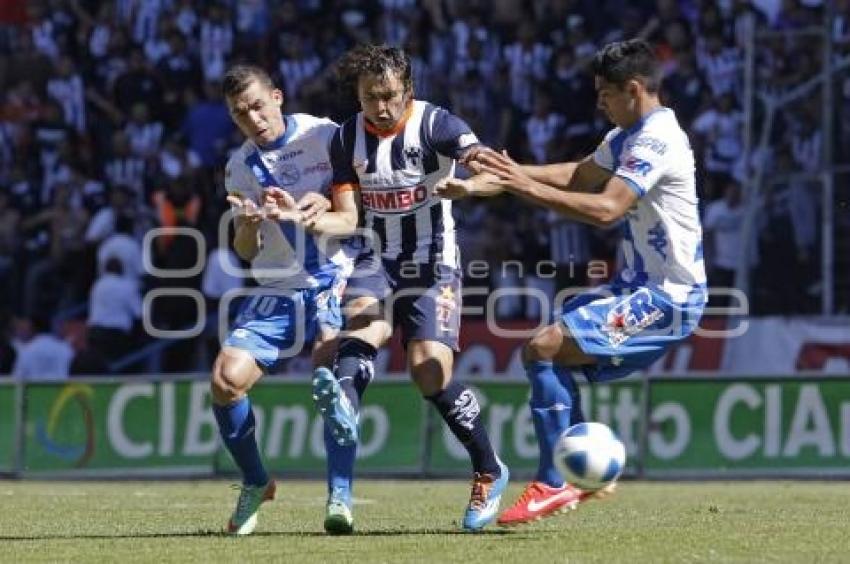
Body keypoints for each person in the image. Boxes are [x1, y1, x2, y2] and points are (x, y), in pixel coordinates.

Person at [437, 39, 707, 525]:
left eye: (605, 93)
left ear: (634, 88)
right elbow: (580, 175)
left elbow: (606, 208)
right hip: (638, 285)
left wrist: (523, 187)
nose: (598, 103)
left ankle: (554, 482)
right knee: (544, 349)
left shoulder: (655, 139)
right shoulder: (628, 134)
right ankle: (585, 473)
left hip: (669, 297)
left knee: (544, 347)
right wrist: (511, 171)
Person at [313, 44, 508, 533]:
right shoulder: (345, 139)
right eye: (369, 97)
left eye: (389, 96)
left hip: (433, 262)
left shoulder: (438, 125)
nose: (380, 107)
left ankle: (488, 467)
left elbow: (494, 173)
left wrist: (470, 186)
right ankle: (344, 404)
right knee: (361, 327)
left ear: (408, 91)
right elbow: (348, 215)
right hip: (376, 258)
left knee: (428, 371)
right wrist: (311, 218)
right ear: (357, 96)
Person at [212, 64, 360, 536]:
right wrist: (251, 225)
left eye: (257, 105)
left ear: (277, 97)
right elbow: (242, 250)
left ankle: (340, 494)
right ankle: (257, 481)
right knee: (224, 381)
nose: (253, 118)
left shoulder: (324, 136)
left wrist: (326, 205)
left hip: (336, 275)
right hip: (278, 287)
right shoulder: (240, 167)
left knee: (330, 379)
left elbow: (362, 202)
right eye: (241, 114)